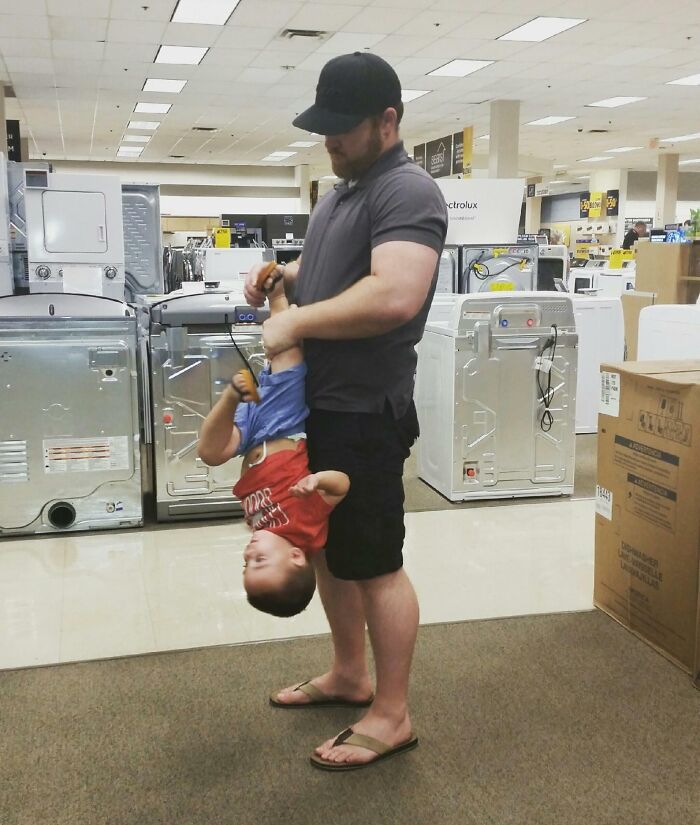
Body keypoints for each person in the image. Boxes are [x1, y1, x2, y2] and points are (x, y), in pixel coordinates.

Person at [245, 52, 448, 771]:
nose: (328, 141)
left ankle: (391, 713)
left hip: (365, 410)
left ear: (387, 120)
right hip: (320, 408)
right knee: (329, 551)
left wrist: (296, 325)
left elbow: (392, 293)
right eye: (322, 128)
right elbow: (334, 269)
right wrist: (283, 276)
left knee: (375, 563)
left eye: (342, 128)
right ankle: (350, 674)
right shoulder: (341, 193)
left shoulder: (409, 191)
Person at [197, 273, 350, 618]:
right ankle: (277, 294)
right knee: (284, 352)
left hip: (250, 438)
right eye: (260, 560)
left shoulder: (261, 529)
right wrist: (318, 480)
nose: (250, 553)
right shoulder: (306, 529)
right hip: (282, 429)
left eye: (246, 563)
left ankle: (233, 396)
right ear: (296, 557)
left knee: (209, 453)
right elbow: (342, 486)